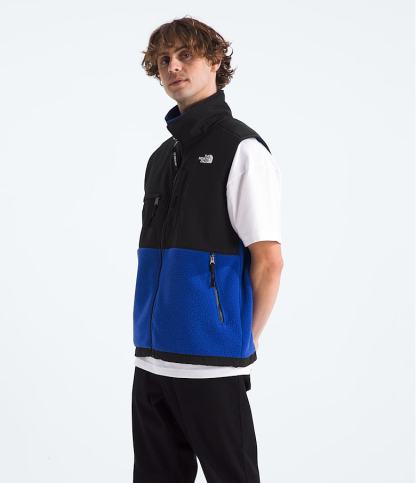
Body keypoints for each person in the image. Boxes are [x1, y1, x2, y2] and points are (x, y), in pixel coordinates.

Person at [131, 16, 284, 483]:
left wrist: (238, 339)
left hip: (211, 369)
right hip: (151, 361)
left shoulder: (242, 150)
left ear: (215, 61)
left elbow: (269, 261)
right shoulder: (162, 157)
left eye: (185, 55)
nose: (173, 67)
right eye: (163, 60)